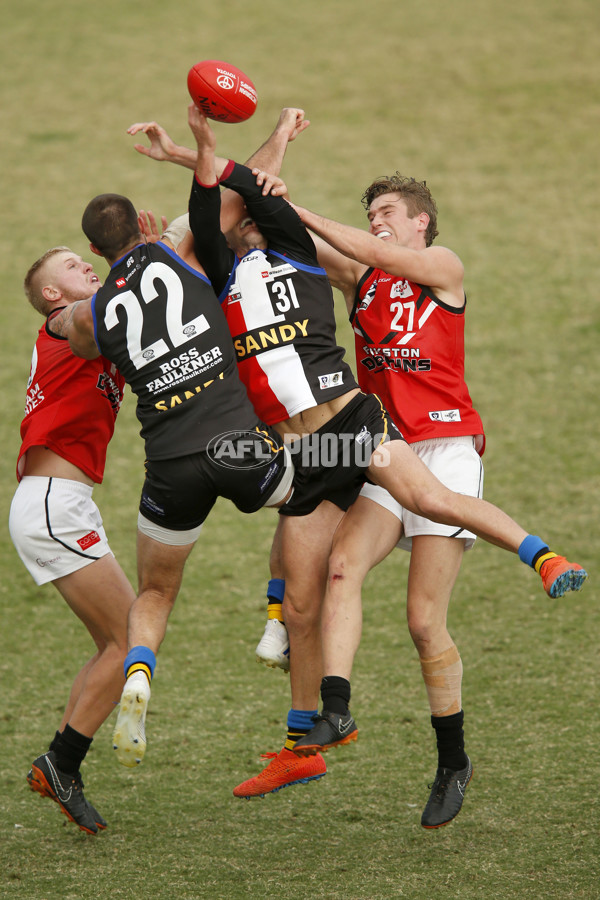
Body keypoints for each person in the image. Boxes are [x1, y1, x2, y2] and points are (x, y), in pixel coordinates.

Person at [160, 107, 588, 805]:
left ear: (421, 220)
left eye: (388, 210)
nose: (379, 220)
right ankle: (329, 713)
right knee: (335, 573)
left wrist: (298, 207)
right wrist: (198, 156)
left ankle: (453, 760)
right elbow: (257, 222)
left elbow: (356, 244)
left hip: (447, 448)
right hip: (373, 443)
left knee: (424, 622)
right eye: (373, 212)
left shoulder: (440, 266)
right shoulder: (358, 283)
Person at [50, 190, 295, 772]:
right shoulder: (179, 251)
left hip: (168, 465)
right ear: (141, 222)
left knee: (156, 593)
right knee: (308, 496)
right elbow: (240, 195)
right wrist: (279, 140)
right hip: (236, 445)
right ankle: (276, 622)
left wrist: (66, 308)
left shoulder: (96, 311)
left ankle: (140, 672)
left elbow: (68, 325)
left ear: (93, 250)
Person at [9, 247, 135, 834]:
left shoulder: (92, 327)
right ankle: (62, 763)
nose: (85, 264)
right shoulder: (70, 327)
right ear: (52, 298)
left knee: (111, 640)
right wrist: (141, 256)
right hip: (54, 503)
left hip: (59, 502)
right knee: (131, 638)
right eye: (69, 265)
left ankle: (60, 765)